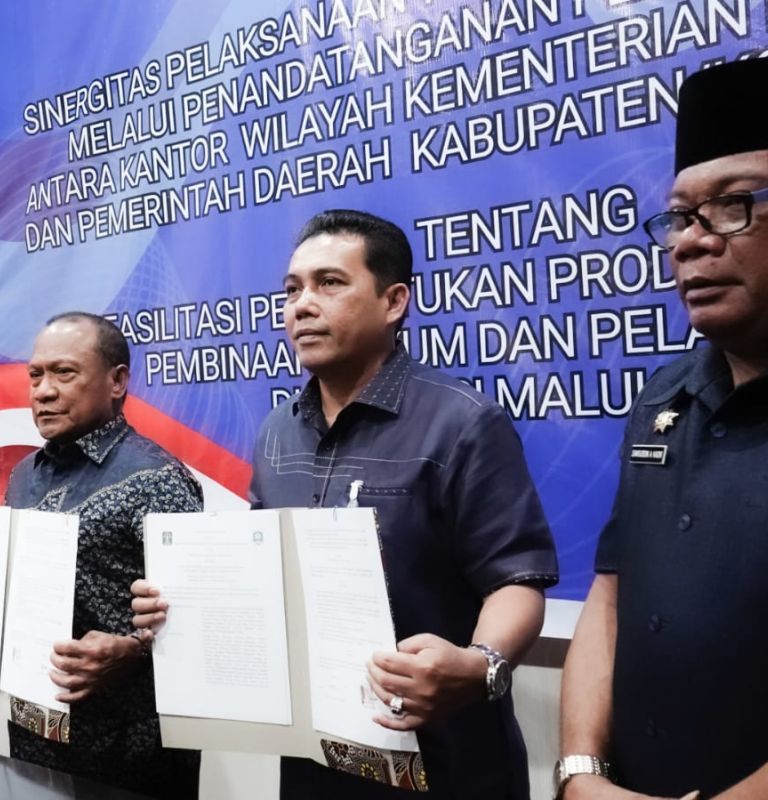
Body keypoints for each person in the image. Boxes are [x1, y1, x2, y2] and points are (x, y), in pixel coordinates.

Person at [133, 209, 559, 798]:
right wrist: (178, 608)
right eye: (292, 290)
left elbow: (516, 579)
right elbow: (267, 579)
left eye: (329, 283)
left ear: (393, 302)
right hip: (316, 763)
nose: (302, 305)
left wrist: (481, 663)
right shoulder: (277, 433)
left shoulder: (463, 423)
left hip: (445, 761)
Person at [557, 58, 768, 800]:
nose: (689, 242)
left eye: (733, 205)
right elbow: (610, 596)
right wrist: (581, 772)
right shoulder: (660, 398)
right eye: (680, 217)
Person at [0, 312, 203, 798]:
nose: (43, 391)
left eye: (64, 373)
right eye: (35, 375)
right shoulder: (23, 476)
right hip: (33, 741)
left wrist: (134, 651)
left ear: (117, 381)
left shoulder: (158, 479)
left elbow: (201, 626)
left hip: (131, 755)